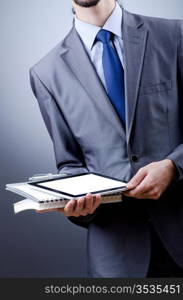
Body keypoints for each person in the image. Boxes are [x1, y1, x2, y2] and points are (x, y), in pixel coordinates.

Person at [29, 0, 183, 277]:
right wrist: (78, 207)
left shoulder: (175, 35)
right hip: (116, 259)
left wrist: (174, 166)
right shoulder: (45, 73)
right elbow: (70, 164)